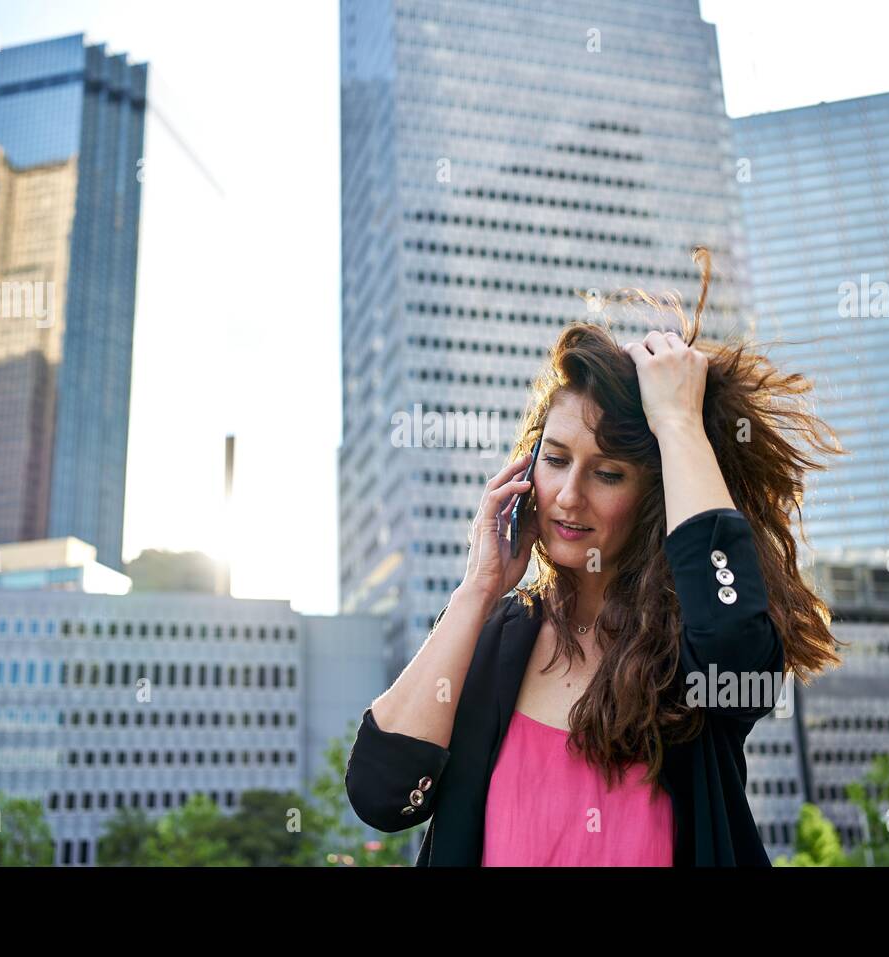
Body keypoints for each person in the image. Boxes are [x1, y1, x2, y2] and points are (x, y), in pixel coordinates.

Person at [345, 248, 844, 866]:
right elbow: (382, 795)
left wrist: (679, 422)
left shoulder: (691, 655)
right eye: (555, 460)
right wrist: (477, 589)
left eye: (607, 473)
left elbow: (738, 634)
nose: (569, 496)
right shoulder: (499, 638)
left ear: (655, 496)